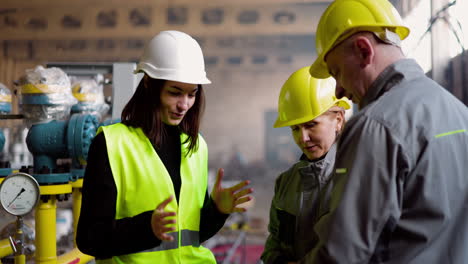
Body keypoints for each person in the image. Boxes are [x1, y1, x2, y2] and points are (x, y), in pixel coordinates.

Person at [301, 0, 468, 263]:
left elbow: (342, 253)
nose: (338, 91)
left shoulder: (375, 125)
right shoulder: (459, 112)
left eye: (337, 72)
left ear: (363, 50)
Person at [76, 30, 253, 264]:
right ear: (149, 85)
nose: (184, 105)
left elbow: (190, 237)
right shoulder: (112, 144)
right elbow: (90, 238)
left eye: (192, 94)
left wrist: (217, 211)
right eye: (174, 92)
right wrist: (146, 227)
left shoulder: (197, 146)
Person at [261, 66, 350, 264]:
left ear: (338, 120)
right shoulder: (286, 182)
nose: (303, 138)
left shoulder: (358, 178)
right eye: (295, 129)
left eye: (311, 125)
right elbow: (274, 244)